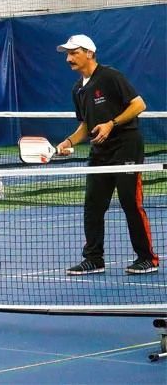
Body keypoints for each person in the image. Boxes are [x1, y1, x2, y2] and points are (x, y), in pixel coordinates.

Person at [54, 34, 158, 276]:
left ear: (89, 53)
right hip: (100, 152)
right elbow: (85, 126)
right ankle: (93, 259)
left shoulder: (110, 76)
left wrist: (111, 123)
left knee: (130, 203)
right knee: (92, 205)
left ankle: (147, 258)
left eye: (74, 52)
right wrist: (68, 142)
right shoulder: (77, 89)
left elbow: (139, 105)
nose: (69, 58)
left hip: (126, 147)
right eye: (67, 54)